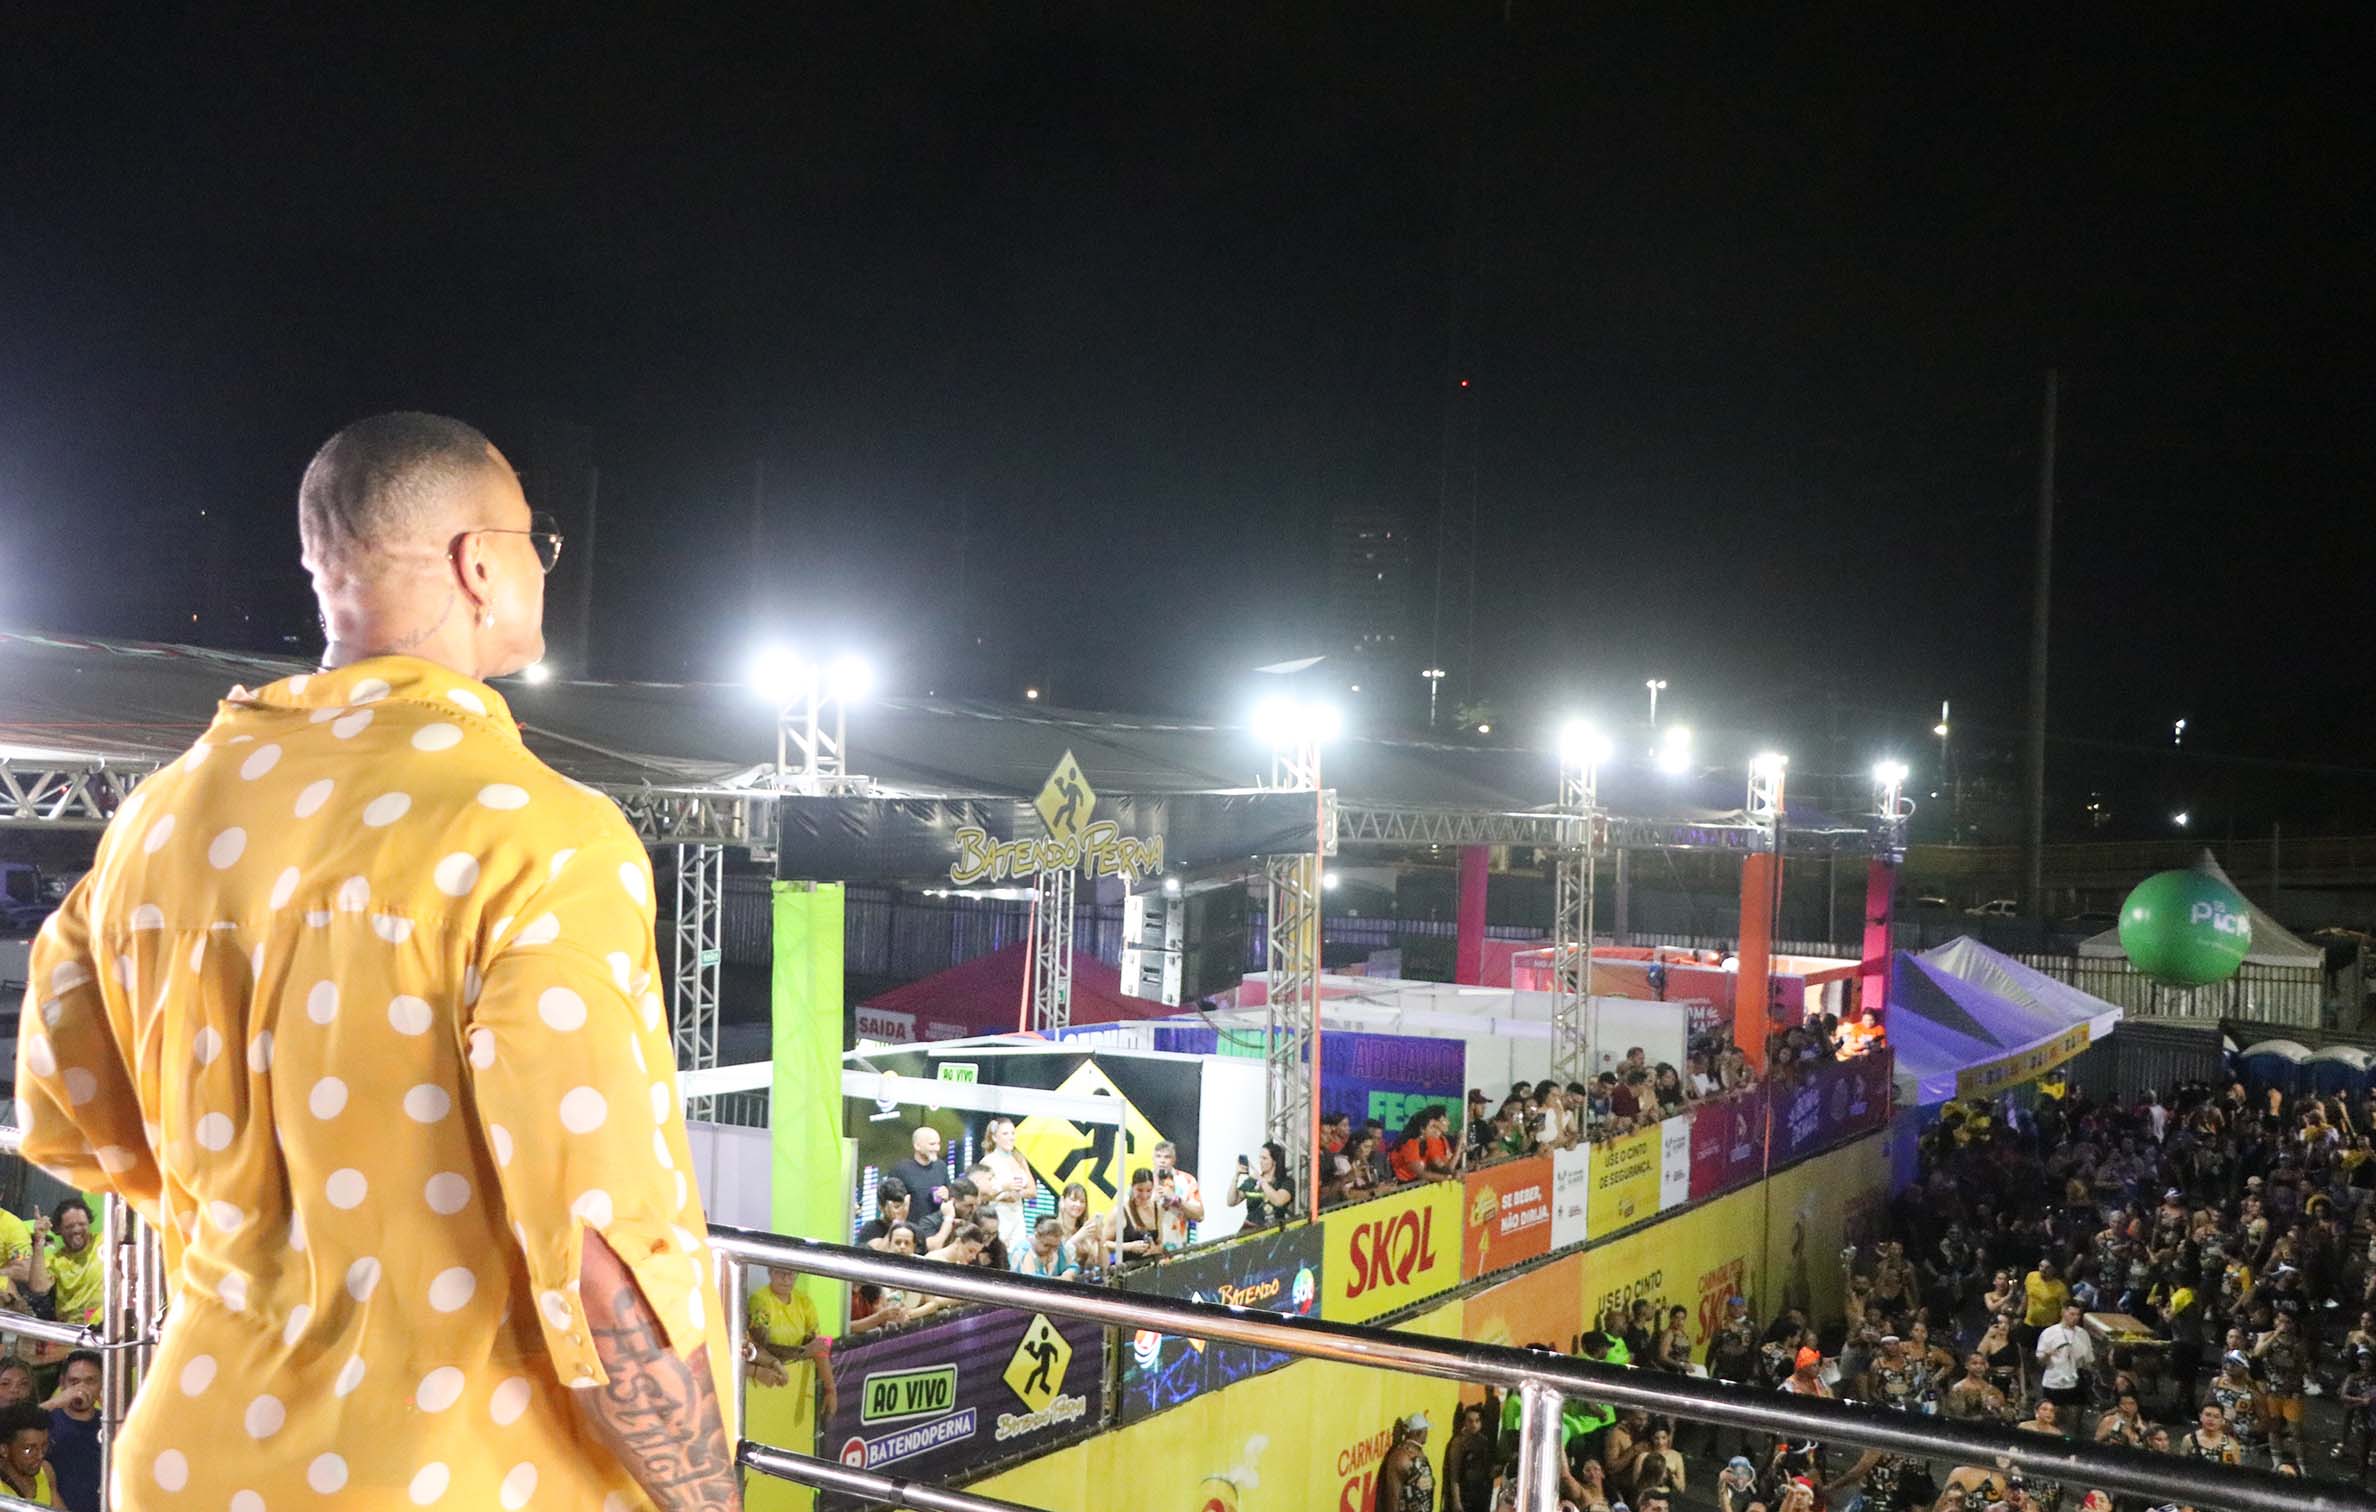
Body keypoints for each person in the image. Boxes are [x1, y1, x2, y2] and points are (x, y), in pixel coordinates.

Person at [13, 415, 739, 1508]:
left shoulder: (153, 824)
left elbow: (70, 1120)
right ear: (479, 563)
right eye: (538, 545)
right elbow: (600, 1251)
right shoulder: (543, 837)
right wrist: (710, 1497)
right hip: (455, 1470)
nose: (541, 570)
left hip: (189, 1453)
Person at [746, 1265, 837, 1427]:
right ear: (770, 1272)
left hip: (794, 1383)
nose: (786, 1279)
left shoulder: (804, 1301)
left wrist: (830, 1389)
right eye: (780, 1273)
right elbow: (760, 1347)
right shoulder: (759, 1301)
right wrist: (803, 1352)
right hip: (765, 1384)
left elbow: (820, 1346)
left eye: (791, 1274)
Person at [37, 1352, 97, 1512]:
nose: (81, 1389)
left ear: (102, 1384)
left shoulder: (110, 1424)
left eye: (90, 1381)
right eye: (74, 1382)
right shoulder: (43, 1420)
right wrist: (54, 1403)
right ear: (62, 1384)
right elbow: (13, 1426)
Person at [979, 1117, 1036, 1257]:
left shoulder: (1019, 1159)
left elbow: (1032, 1191)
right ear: (994, 1137)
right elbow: (982, 1195)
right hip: (998, 1216)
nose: (1010, 1137)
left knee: (1018, 1255)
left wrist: (1018, 1194)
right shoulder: (988, 1161)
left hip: (1017, 1216)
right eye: (1005, 1134)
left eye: (1012, 1133)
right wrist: (1004, 1189)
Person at [2035, 1303, 2095, 1433]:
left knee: (2073, 1421)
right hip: (2053, 1383)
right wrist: (2048, 1354)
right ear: (2063, 1312)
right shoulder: (2049, 1333)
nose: (2075, 1318)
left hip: (2074, 1383)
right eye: (2072, 1314)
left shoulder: (2083, 1334)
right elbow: (2040, 1361)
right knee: (2051, 1420)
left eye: (2078, 1315)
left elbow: (2089, 1360)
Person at [885, 1125, 952, 1237]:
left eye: (938, 1144)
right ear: (917, 1146)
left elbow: (950, 1196)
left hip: (936, 1231)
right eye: (932, 1144)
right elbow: (890, 1205)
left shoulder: (941, 1166)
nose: (937, 1148)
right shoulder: (900, 1170)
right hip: (910, 1233)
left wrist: (946, 1195)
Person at [0, 1401, 57, 1509]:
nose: (40, 1456)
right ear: (4, 1450)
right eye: (29, 1449)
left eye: (44, 1446)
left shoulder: (46, 1471)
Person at [1099, 1169, 1165, 1262]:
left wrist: (1155, 1249)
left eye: (1149, 1191)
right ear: (1132, 1187)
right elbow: (1102, 1244)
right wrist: (1129, 1246)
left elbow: (1160, 1243)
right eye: (1140, 1190)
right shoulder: (1120, 1212)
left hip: (1151, 1266)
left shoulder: (1157, 1208)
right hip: (1126, 1267)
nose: (1144, 1195)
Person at [1150, 1139, 1205, 1249]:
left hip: (1178, 1248)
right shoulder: (1143, 1180)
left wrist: (1176, 1200)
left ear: (1174, 1160)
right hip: (1149, 1249)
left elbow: (1200, 1215)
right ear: (1153, 1159)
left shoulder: (1187, 1181)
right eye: (1158, 1156)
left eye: (1167, 1157)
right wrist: (1151, 1202)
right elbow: (1128, 1214)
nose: (1162, 1161)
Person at [1379, 1411, 1437, 1512]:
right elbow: (1394, 1497)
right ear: (1418, 1432)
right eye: (1426, 1430)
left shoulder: (1416, 1453)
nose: (1427, 1434)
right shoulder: (1401, 1457)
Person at [1228, 1141, 1296, 1227]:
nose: (1260, 1161)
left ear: (1274, 1161)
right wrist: (1236, 1176)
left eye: (1264, 1158)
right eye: (1260, 1158)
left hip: (1273, 1229)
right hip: (1250, 1228)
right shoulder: (1252, 1181)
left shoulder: (1286, 1182)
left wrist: (1261, 1180)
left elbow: (1278, 1201)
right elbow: (1231, 1202)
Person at [1444, 1402, 1496, 1512]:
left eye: (1477, 1421)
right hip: (1464, 1498)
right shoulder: (1459, 1443)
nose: (1474, 1424)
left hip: (1479, 1497)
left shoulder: (1483, 1441)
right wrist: (1457, 1502)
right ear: (1464, 1422)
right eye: (1470, 1421)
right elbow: (1454, 1475)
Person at [1014, 1216, 1081, 1278]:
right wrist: (1059, 1280)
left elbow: (1073, 1266)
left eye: (1055, 1247)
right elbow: (1030, 1278)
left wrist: (1068, 1274)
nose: (1051, 1251)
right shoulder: (1023, 1251)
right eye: (1047, 1245)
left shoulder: (1059, 1246)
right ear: (1037, 1236)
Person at [857, 1177, 914, 1249]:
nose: (898, 1211)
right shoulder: (871, 1229)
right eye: (895, 1207)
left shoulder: (914, 1231)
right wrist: (896, 1224)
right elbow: (878, 1253)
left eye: (901, 1206)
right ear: (881, 1207)